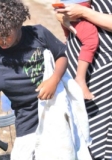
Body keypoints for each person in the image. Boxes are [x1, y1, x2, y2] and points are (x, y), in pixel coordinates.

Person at [0, 0, 68, 159]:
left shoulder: (38, 34)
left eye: (6, 35)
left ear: (17, 23)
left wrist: (54, 80)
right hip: (29, 127)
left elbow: (61, 55)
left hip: (58, 116)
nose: (2, 41)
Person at [56, 1, 112, 159]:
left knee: (99, 135)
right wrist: (62, 15)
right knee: (78, 132)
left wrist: (83, 12)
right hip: (80, 59)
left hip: (105, 70)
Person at [55, 0, 98, 100]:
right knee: (90, 40)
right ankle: (80, 79)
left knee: (70, 35)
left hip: (67, 8)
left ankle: (68, 41)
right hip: (74, 10)